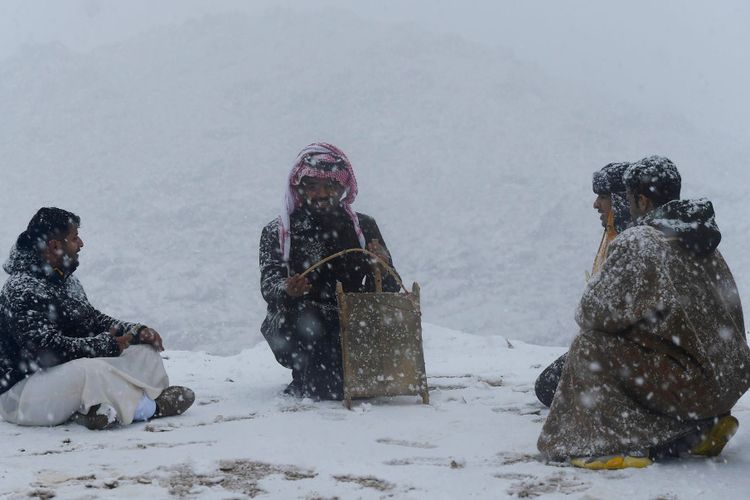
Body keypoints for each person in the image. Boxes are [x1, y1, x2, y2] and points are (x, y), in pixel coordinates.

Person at [538, 156, 750, 469]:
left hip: (692, 387)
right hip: (726, 384)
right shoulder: (703, 240)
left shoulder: (640, 240)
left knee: (591, 345)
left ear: (641, 199)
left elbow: (591, 313)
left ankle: (608, 443)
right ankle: (699, 428)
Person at [0, 208, 194, 430]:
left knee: (143, 352)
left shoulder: (65, 280)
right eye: (74, 238)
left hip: (59, 387)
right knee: (89, 370)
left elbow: (91, 320)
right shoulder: (21, 288)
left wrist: (135, 332)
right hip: (21, 396)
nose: (81, 243)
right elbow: (45, 350)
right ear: (54, 245)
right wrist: (106, 345)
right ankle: (150, 408)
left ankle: (96, 409)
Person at [260, 143, 400, 400]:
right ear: (300, 188)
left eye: (330, 186)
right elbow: (269, 285)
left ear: (343, 188)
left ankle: (342, 371)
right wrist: (288, 290)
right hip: (301, 323)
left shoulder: (363, 227)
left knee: (338, 382)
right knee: (308, 329)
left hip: (353, 322)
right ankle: (307, 374)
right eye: (312, 186)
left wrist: (382, 266)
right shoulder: (279, 232)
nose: (321, 193)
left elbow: (389, 288)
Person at [534, 162, 631, 407]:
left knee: (549, 387)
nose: (596, 204)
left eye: (602, 197)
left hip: (623, 350)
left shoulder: (629, 244)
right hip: (611, 345)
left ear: (620, 200)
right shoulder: (613, 235)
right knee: (549, 384)